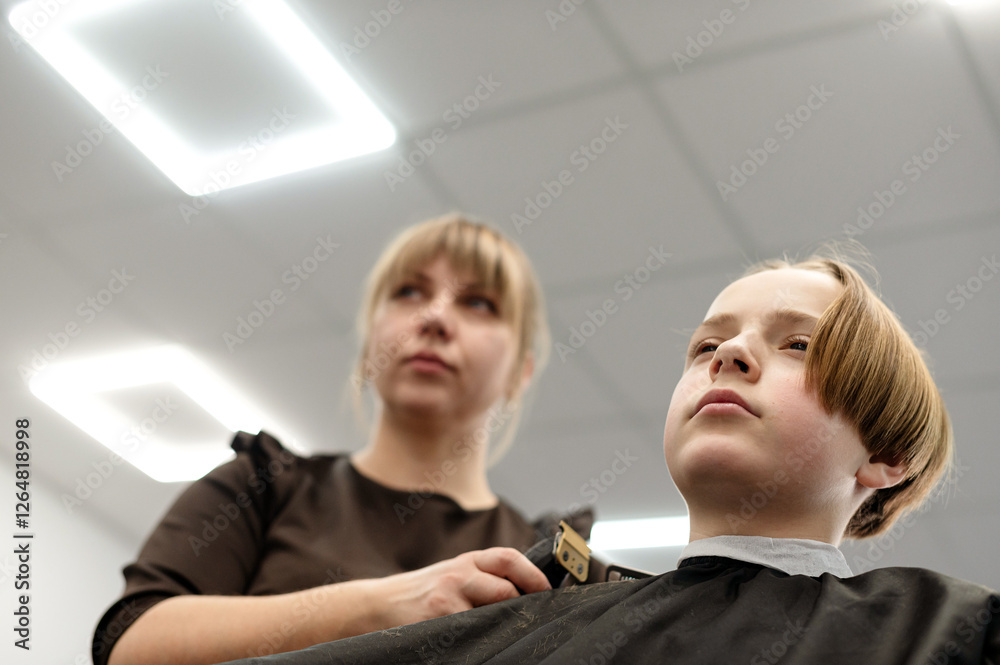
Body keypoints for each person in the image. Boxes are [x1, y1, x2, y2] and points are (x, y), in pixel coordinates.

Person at [220, 248, 999, 664]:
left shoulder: (947, 633)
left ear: (887, 455)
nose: (728, 353)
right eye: (706, 344)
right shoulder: (531, 614)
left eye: (798, 344)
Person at [92, 214, 596, 665]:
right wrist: (382, 606)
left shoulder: (555, 561)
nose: (435, 318)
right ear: (368, 340)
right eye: (409, 292)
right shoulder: (263, 486)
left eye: (478, 303)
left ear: (521, 372)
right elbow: (130, 642)